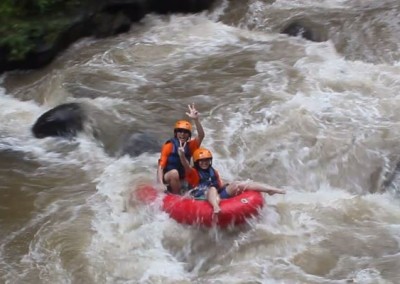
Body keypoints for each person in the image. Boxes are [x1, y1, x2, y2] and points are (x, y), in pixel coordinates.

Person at [178, 147, 286, 213]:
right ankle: (216, 207)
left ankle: (271, 189)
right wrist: (182, 155)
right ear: (197, 162)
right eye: (201, 161)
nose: (204, 162)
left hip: (218, 195)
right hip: (201, 198)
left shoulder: (213, 171)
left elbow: (219, 184)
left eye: (207, 160)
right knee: (212, 189)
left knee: (237, 184)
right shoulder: (193, 173)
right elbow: (186, 165)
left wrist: (229, 185)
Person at [157, 104, 205, 194]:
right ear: (176, 133)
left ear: (189, 135)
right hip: (168, 176)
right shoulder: (169, 146)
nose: (182, 134)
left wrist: (196, 120)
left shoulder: (190, 146)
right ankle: (177, 196)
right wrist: (160, 183)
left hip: (183, 177)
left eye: (185, 132)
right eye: (180, 131)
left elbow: (201, 135)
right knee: (174, 173)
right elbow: (161, 167)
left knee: (201, 168)